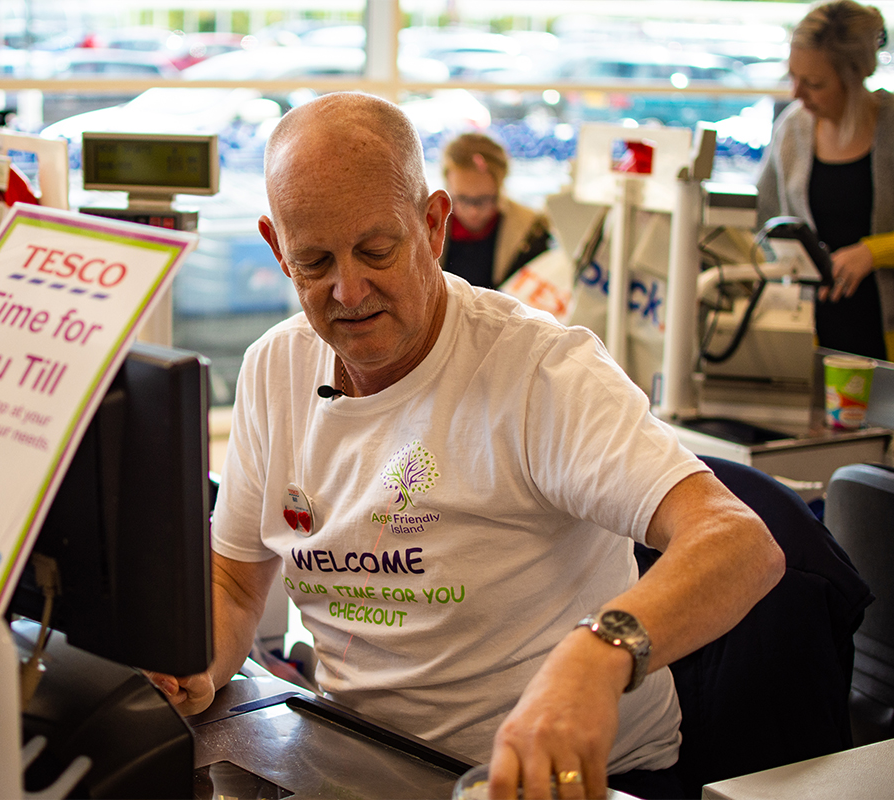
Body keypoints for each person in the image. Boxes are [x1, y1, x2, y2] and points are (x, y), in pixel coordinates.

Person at [149, 92, 784, 800]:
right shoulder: (275, 368)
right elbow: (235, 584)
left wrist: (600, 653)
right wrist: (192, 662)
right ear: (276, 248)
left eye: (376, 250)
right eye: (314, 262)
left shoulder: (539, 370)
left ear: (433, 224)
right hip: (356, 759)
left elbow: (739, 542)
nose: (348, 290)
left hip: (564, 781)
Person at [757, 0, 894, 362]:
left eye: (814, 83)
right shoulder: (792, 130)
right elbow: (761, 221)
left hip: (888, 336)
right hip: (811, 335)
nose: (796, 93)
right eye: (792, 76)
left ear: (854, 77)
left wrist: (874, 252)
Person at [439, 131, 551, 290]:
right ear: (447, 187)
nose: (473, 211)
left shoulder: (532, 230)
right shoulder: (424, 226)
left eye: (484, 199)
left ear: (500, 189)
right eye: (462, 199)